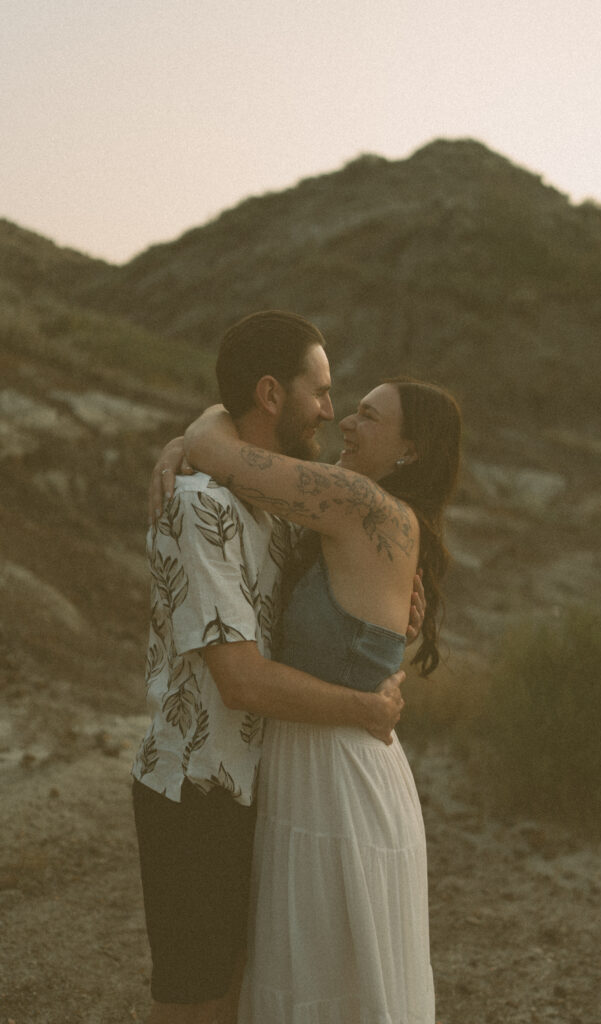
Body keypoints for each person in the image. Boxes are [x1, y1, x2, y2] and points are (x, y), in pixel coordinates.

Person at [133, 310, 422, 1024]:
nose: (330, 410)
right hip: (195, 790)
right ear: (269, 394)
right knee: (197, 1004)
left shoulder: (274, 503)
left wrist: (190, 432)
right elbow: (240, 680)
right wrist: (364, 709)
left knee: (243, 999)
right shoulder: (200, 505)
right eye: (320, 392)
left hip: (257, 786)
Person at [180, 373, 461, 1023]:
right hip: (326, 768)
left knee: (327, 984)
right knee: (321, 982)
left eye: (367, 416)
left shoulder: (358, 501)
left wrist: (196, 432)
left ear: (409, 451)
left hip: (337, 783)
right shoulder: (368, 514)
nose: (346, 424)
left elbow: (213, 447)